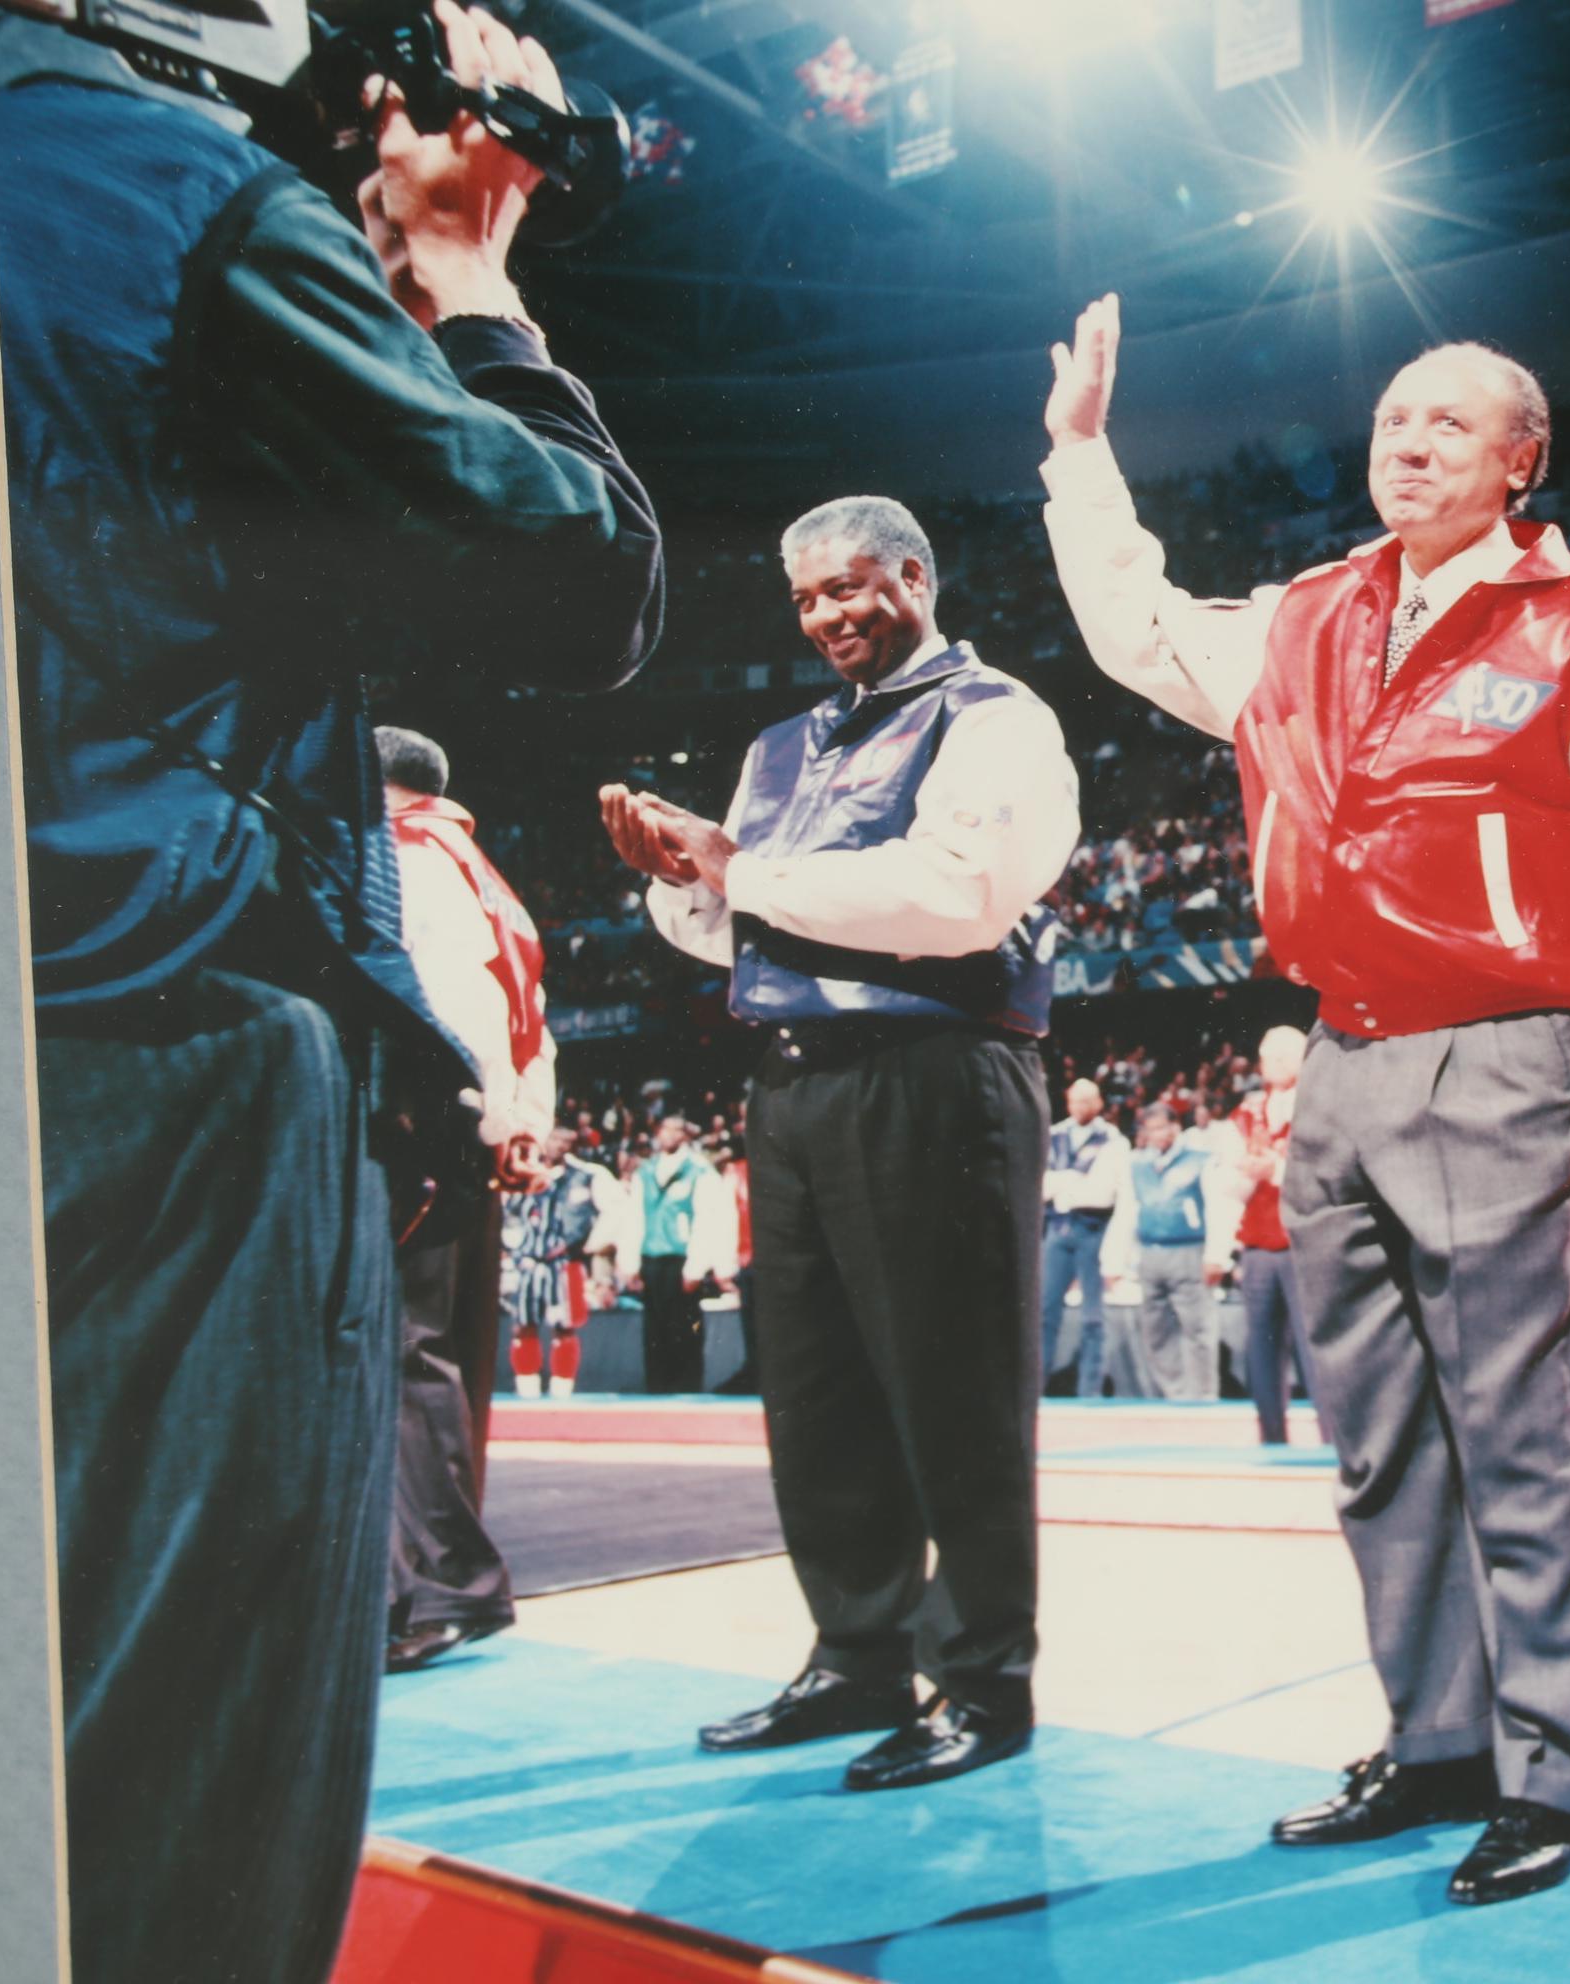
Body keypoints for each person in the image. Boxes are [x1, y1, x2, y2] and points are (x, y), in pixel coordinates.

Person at [0, 1, 664, 1971]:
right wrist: (461, 275)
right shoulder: (175, 191)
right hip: (147, 1060)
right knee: (173, 1786)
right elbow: (572, 578)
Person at [1041, 296, 1570, 1904]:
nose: (1407, 442)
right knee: (1378, 1442)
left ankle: (1548, 1772)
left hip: (1516, 1053)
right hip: (1345, 1064)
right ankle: (1434, 1741)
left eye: (1448, 422)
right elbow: (1136, 627)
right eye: (1389, 422)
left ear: (1523, 459)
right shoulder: (1303, 616)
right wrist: (1081, 458)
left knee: (1521, 1433)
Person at [602, 491, 1077, 1793]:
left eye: (853, 587)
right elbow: (741, 934)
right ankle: (856, 1655)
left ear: (916, 575)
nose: (829, 617)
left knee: (954, 1390)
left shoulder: (996, 719)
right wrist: (676, 877)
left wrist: (736, 871)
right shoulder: (779, 747)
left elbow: (953, 899)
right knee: (814, 1393)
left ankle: (984, 1683)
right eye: (809, 599)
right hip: (797, 1078)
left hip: (937, 1065)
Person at [379, 724, 553, 1672]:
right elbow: (530, 1019)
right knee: (445, 1357)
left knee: (410, 1355)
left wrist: (475, 1111)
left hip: (434, 1121)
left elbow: (450, 1001)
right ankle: (431, 1581)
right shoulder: (485, 871)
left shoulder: (406, 857)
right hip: (480, 1127)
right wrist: (521, 1119)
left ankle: (445, 1584)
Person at [1218, 1025, 1310, 1441]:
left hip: (1301, 1245)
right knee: (1261, 1350)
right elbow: (1229, 1185)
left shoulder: (1315, 1107)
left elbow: (1323, 1173)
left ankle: (1334, 1442)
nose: (1268, 1065)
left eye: (1279, 1057)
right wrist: (1247, 1173)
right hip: (1257, 1246)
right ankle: (1271, 1436)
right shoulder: (1245, 1114)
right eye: (1265, 1056)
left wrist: (1272, 1169)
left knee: (1313, 1350)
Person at [501, 1125, 621, 1398]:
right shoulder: (519, 1174)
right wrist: (514, 1247)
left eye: (564, 1141)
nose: (557, 1146)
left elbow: (615, 1211)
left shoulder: (588, 1176)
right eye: (552, 1139)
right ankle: (526, 1390)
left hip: (566, 1263)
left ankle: (562, 1391)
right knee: (522, 1326)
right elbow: (507, 1215)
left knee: (565, 1327)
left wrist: (590, 1245)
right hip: (527, 1263)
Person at [1126, 1103, 1226, 1398]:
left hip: (1189, 1251)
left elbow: (1217, 1209)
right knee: (1155, 1330)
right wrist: (1121, 1261)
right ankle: (1176, 1394)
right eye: (1150, 1129)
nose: (1156, 1134)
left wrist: (1215, 1256)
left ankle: (1203, 1396)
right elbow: (1129, 1211)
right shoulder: (1138, 1164)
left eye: (1161, 1127)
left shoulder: (1201, 1160)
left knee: (1198, 1328)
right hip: (1149, 1252)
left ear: (1175, 1127)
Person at [1044, 1078, 1132, 1395]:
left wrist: (1062, 1183)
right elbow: (1041, 1185)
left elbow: (1102, 1192)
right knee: (1045, 1311)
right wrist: (1071, 1180)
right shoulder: (1054, 1134)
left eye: (1087, 1101)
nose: (1080, 1107)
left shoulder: (1112, 1140)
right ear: (1068, 1102)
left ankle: (1089, 1392)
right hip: (1058, 1228)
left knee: (1093, 1317)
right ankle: (1035, 1390)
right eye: (1075, 1101)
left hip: (1092, 1230)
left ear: (1098, 1104)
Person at [632, 1114, 727, 1392]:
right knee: (654, 1330)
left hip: (681, 1260)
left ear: (684, 1135)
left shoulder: (698, 1170)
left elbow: (707, 1219)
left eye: (675, 1130)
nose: (668, 1135)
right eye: (664, 1130)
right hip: (651, 1258)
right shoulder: (646, 1171)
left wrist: (696, 1266)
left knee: (684, 1329)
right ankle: (656, 1389)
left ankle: (687, 1388)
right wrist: (630, 1262)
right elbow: (635, 1217)